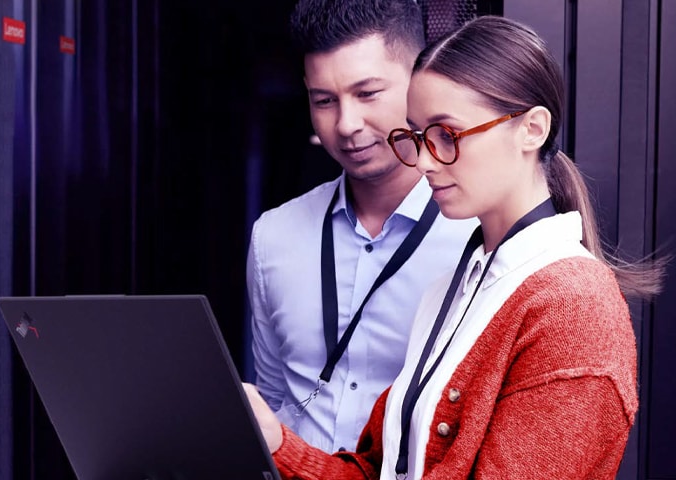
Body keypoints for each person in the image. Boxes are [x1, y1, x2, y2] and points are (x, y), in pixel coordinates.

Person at [244, 14, 666, 479]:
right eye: (418, 136)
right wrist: (277, 440)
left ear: (532, 129)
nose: (424, 161)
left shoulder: (573, 306)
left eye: (448, 135)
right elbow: (377, 472)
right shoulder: (458, 286)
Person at [246, 0, 478, 454]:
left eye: (368, 94)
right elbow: (271, 402)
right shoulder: (274, 236)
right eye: (324, 101)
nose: (347, 125)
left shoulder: (476, 235)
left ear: (420, 84)